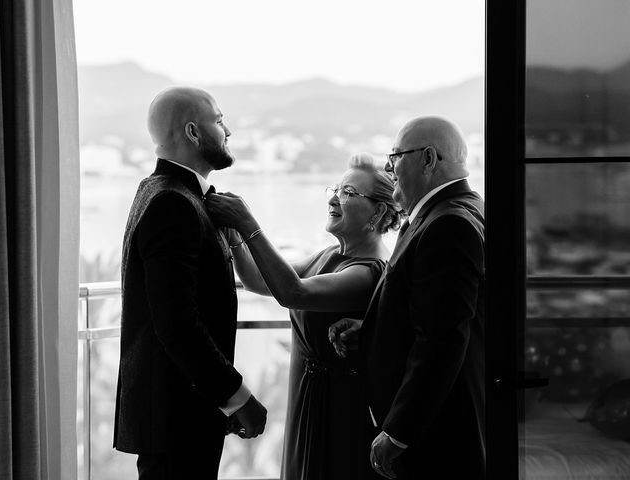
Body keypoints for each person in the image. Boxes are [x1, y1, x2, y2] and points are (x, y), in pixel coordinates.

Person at [205, 152, 402, 480]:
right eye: (336, 189)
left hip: (340, 407)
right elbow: (258, 280)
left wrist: (249, 224)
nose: (335, 198)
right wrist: (236, 238)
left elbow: (293, 293)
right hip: (307, 397)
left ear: (379, 211)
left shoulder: (368, 271)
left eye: (349, 193)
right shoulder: (331, 254)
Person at [113, 87, 267, 480]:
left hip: (179, 410)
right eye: (219, 120)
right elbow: (177, 323)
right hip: (175, 416)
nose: (227, 130)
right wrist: (236, 397)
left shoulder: (161, 191)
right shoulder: (174, 203)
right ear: (194, 133)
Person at [329, 117, 485, 479]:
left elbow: (442, 339)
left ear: (428, 159)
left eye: (395, 156)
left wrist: (399, 431)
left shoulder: (449, 224)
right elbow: (427, 307)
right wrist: (372, 328)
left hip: (436, 430)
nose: (388, 167)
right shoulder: (454, 209)